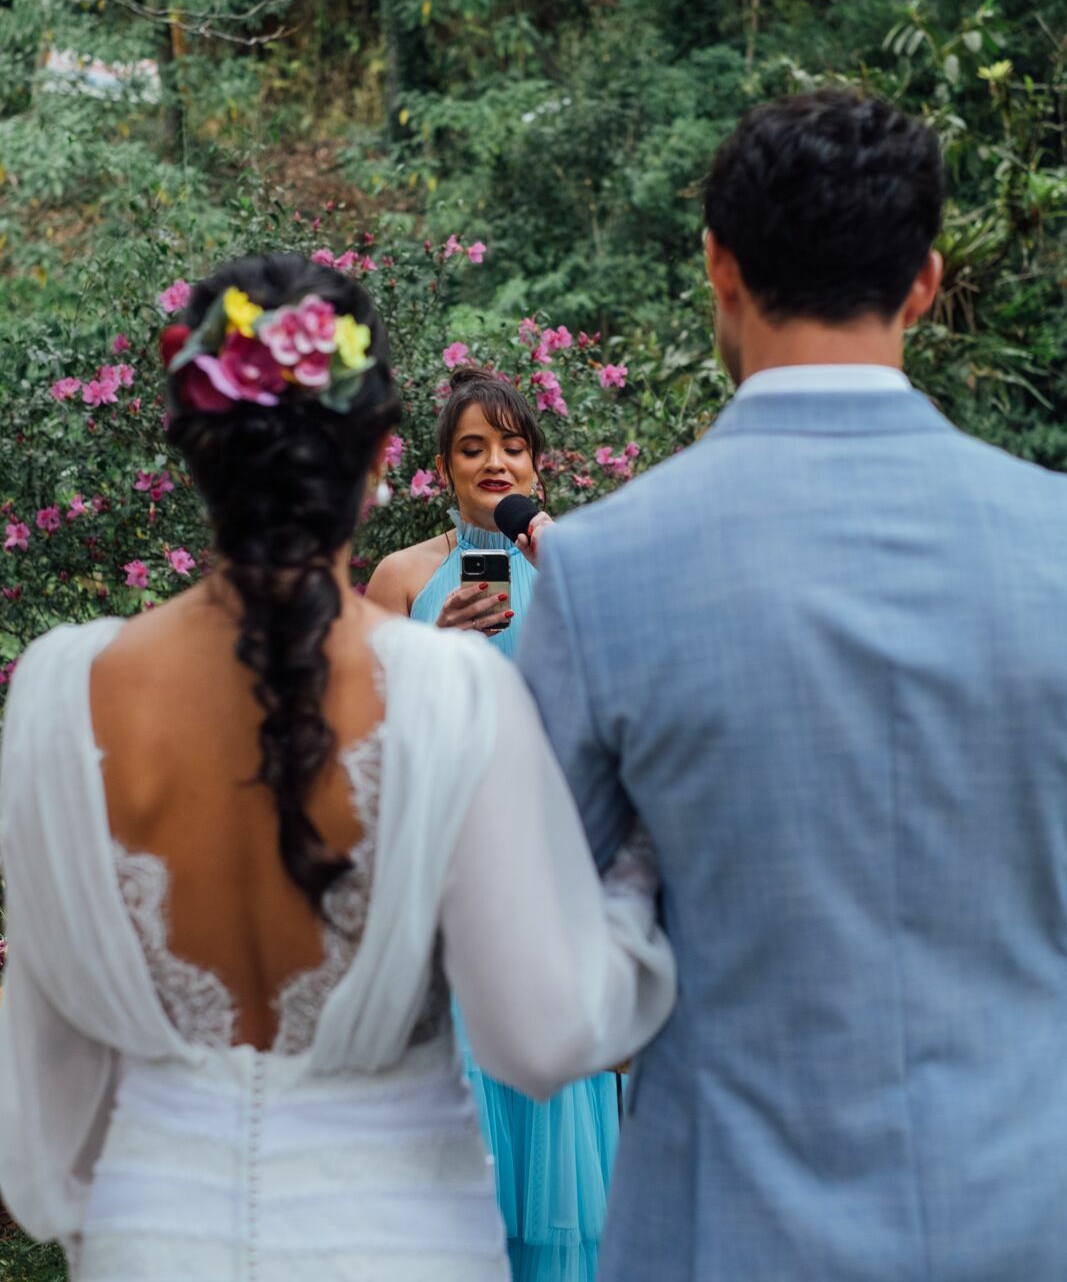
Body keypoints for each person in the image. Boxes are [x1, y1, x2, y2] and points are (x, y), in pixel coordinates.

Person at [0, 254, 676, 1281]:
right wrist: (633, 868)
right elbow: (541, 1037)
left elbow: (43, 1119)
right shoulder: (453, 689)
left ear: (193, 452)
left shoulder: (59, 693)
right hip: (401, 1242)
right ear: (382, 460)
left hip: (154, 1242)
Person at [519, 90, 1067, 1282]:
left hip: (723, 1229)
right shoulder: (1054, 542)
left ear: (717, 263)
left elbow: (537, 942)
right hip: (1030, 1211)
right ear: (923, 282)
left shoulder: (601, 565)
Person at [368, 368, 623, 1282]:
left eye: (512, 445)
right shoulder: (401, 576)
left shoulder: (578, 563)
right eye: (472, 447)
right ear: (442, 468)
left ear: (539, 468)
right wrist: (431, 646)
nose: (494, 461)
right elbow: (360, 736)